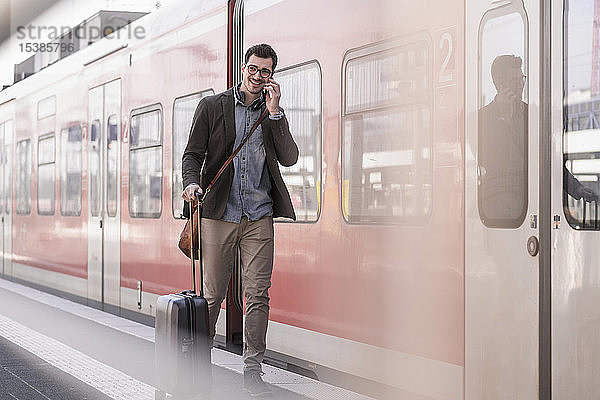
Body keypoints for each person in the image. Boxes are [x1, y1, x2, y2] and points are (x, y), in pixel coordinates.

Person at [181, 43, 298, 397]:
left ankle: (252, 370)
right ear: (242, 68)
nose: (258, 76)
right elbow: (192, 154)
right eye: (253, 69)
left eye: (265, 71)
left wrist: (276, 113)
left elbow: (290, 157)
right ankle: (200, 364)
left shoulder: (270, 112)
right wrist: (191, 183)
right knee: (213, 296)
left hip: (259, 216)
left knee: (258, 294)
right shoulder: (213, 107)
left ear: (271, 76)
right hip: (219, 215)